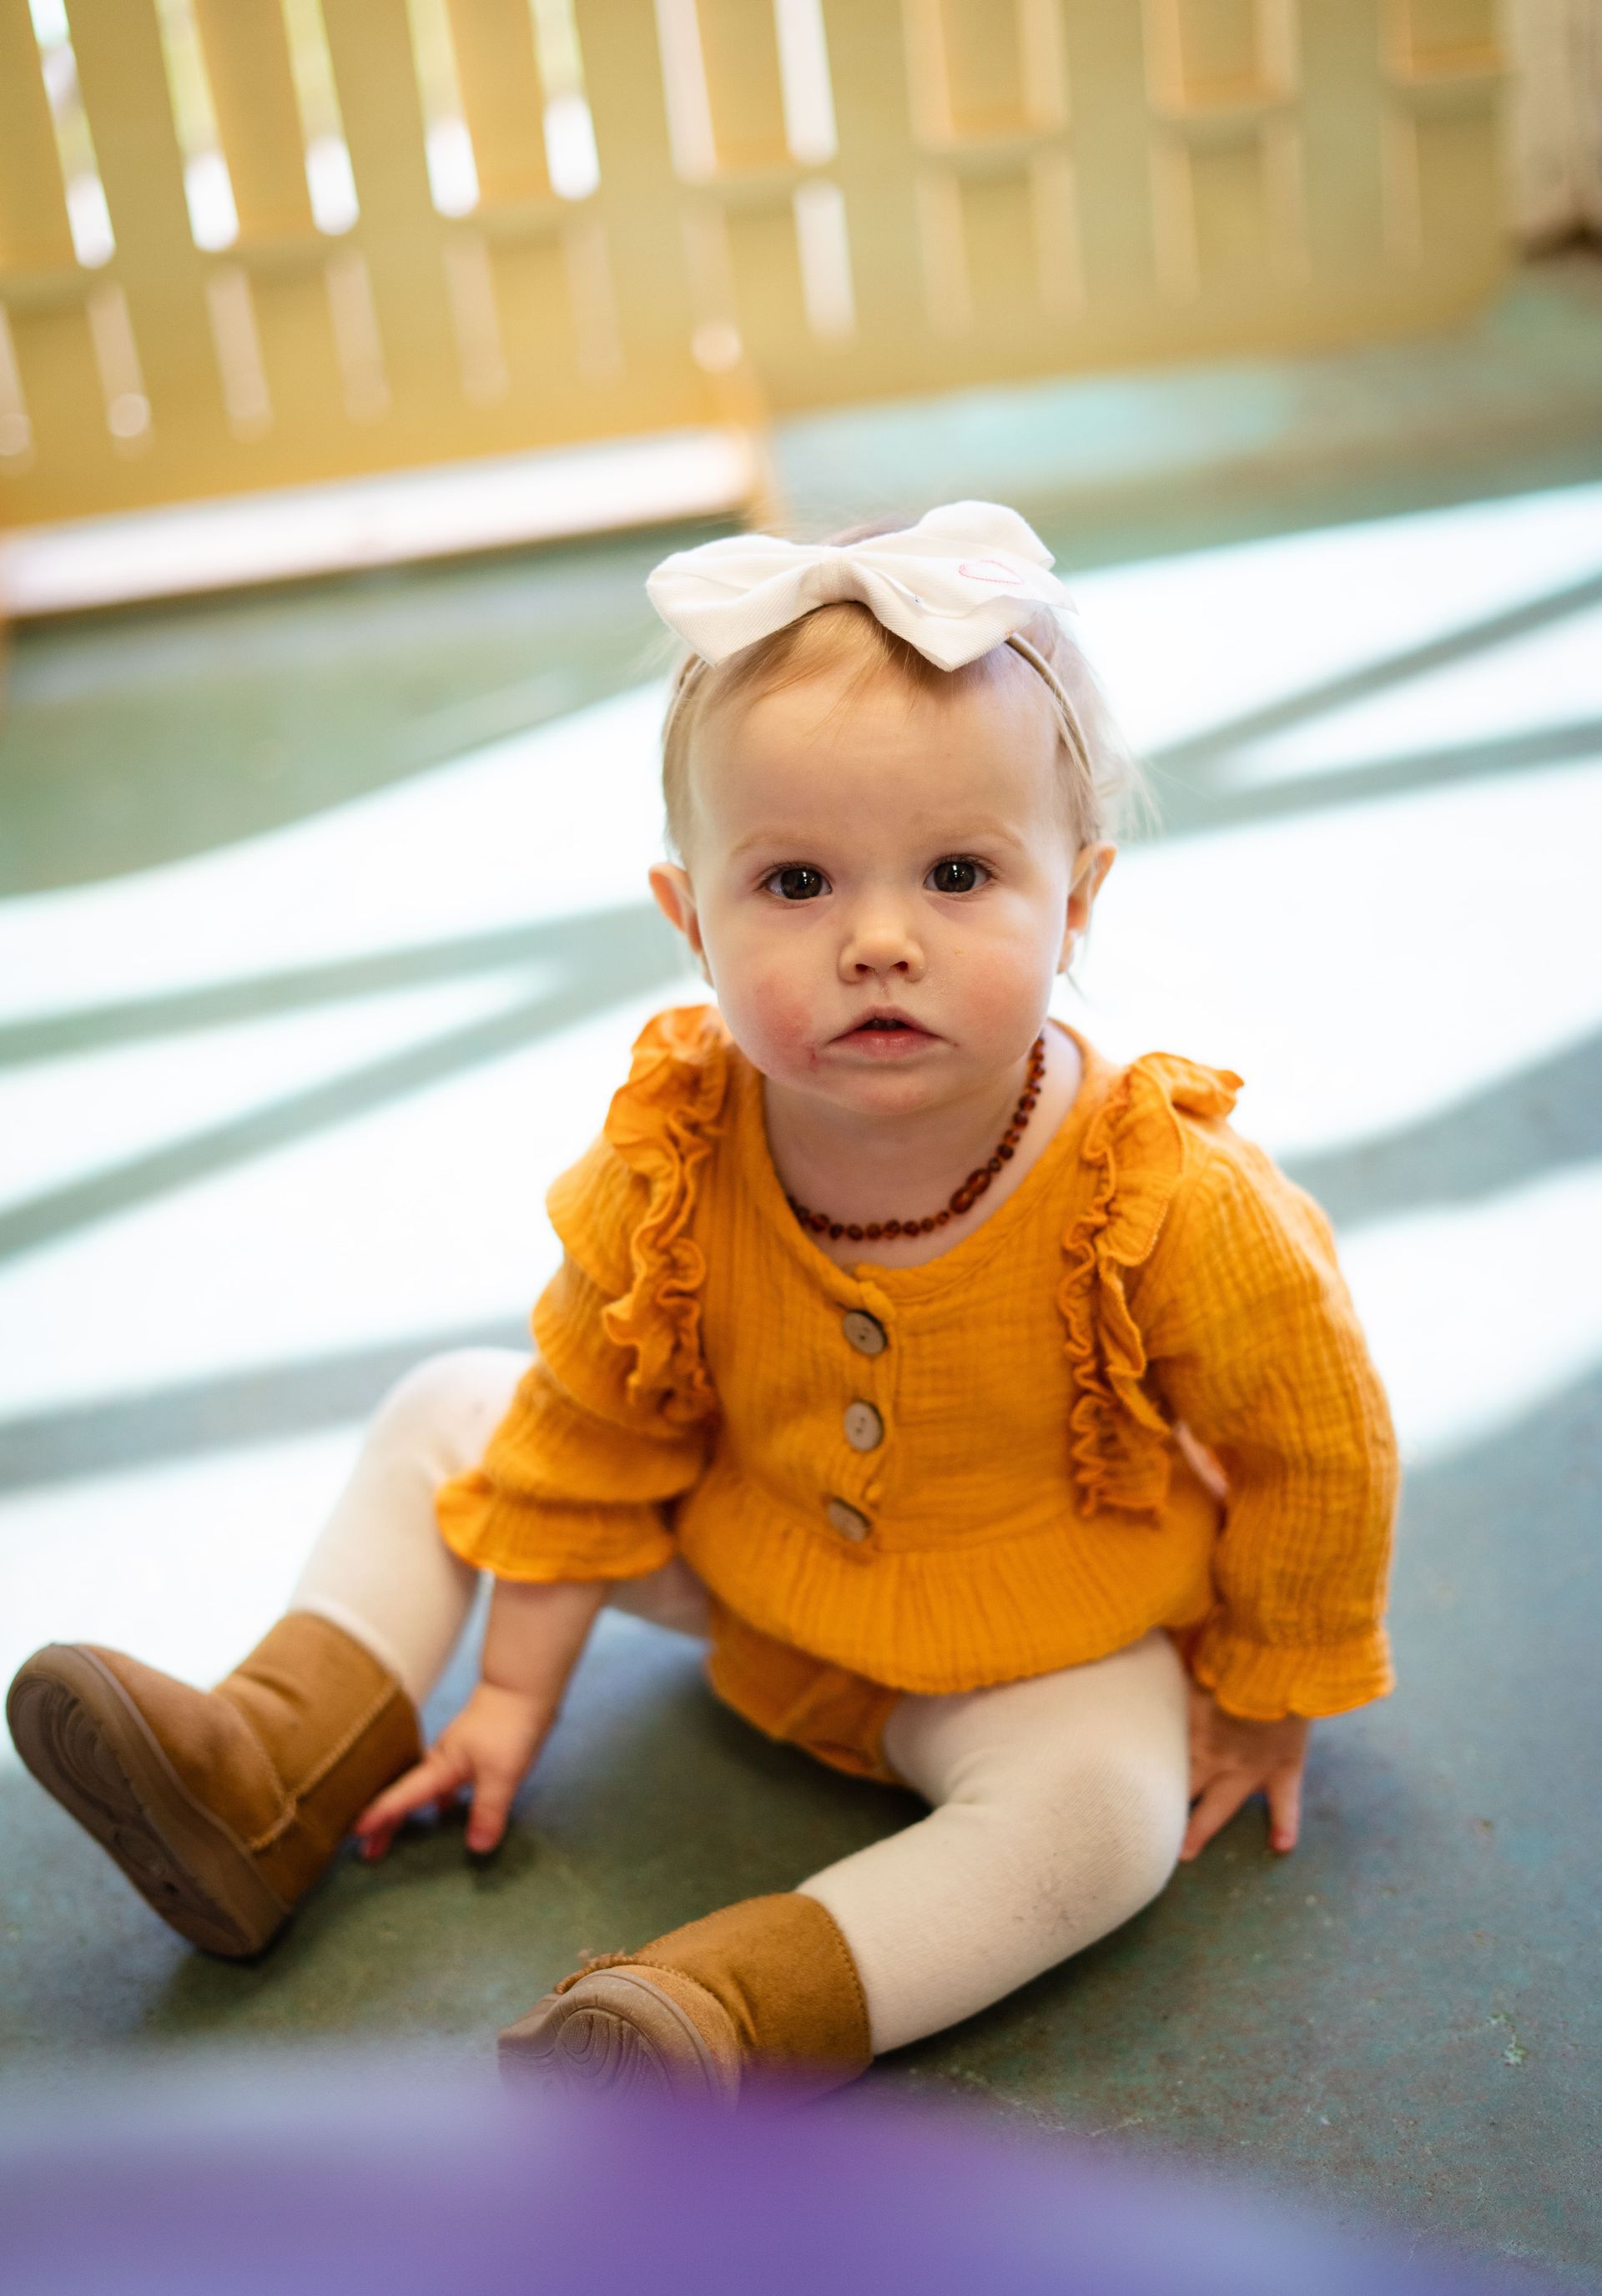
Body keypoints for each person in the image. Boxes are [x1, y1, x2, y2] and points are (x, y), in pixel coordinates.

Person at [8, 503, 1399, 2106]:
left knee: (1105, 1816)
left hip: (1034, 1640)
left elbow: (1318, 1440)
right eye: (796, 882)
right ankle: (272, 1766)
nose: (880, 942)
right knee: (455, 1409)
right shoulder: (681, 1150)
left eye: (960, 874)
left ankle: (730, 2015)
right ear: (691, 921)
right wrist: (519, 1691)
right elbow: (592, 1412)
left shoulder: (1164, 1190)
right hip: (743, 1562)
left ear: (1076, 899)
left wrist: (1273, 1693)